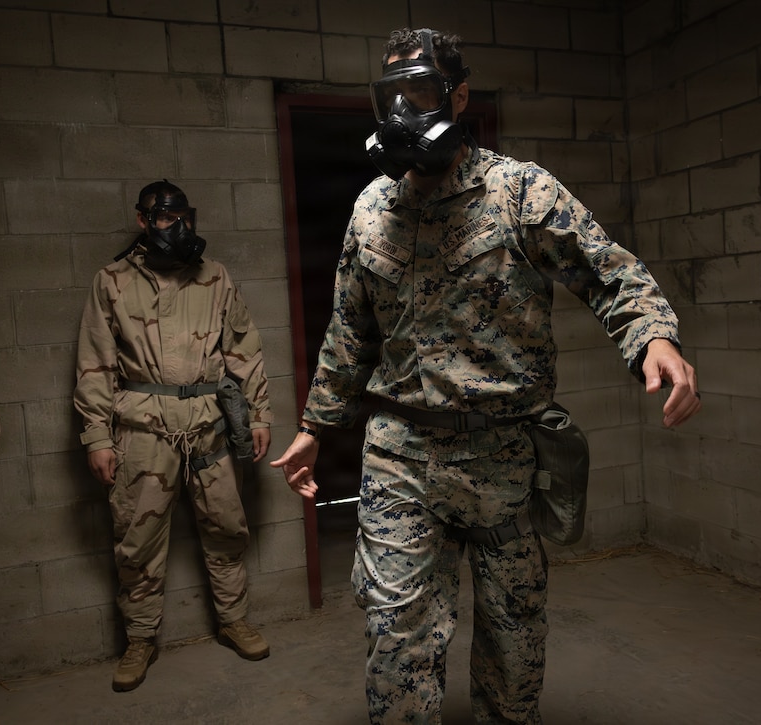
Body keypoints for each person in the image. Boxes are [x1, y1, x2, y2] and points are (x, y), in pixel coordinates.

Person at [271, 28, 701, 724]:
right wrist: (314, 426)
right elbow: (349, 335)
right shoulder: (370, 212)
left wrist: (653, 336)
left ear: (458, 96)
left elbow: (607, 271)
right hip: (401, 456)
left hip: (505, 458)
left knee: (513, 646)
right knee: (397, 642)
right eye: (391, 97)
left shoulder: (520, 192)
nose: (404, 111)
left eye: (420, 92)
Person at [74, 180, 273, 693]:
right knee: (136, 540)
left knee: (227, 527)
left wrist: (260, 416)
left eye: (183, 216)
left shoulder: (215, 277)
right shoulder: (112, 281)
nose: (176, 227)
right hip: (142, 429)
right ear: (142, 221)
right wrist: (97, 435)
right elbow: (95, 364)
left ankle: (234, 620)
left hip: (210, 424)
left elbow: (244, 350)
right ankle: (140, 639)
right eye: (164, 218)